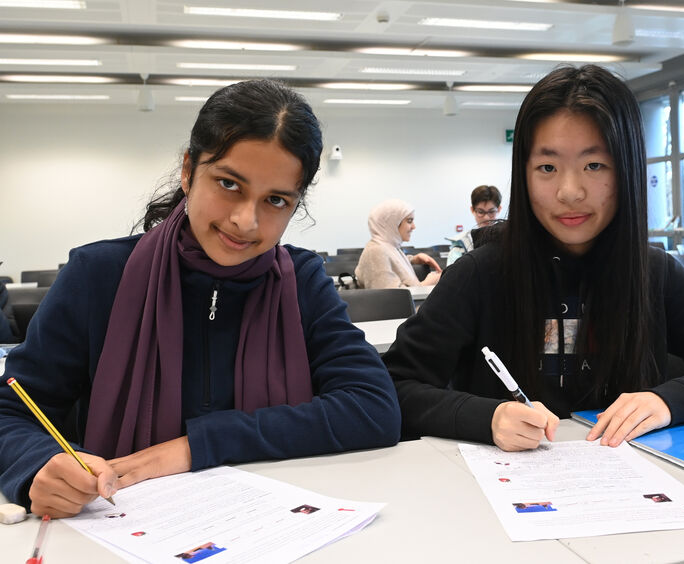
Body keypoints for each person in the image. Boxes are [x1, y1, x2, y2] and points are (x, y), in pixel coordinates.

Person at [0, 79, 401, 518]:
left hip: (270, 524)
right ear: (189, 170)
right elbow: (11, 412)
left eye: (275, 200)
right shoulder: (97, 275)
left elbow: (372, 407)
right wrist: (38, 464)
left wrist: (194, 446)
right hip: (118, 524)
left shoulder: (302, 280)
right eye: (229, 183)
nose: (246, 221)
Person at [384, 65, 684, 452]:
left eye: (594, 165)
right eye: (547, 167)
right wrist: (487, 417)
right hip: (505, 485)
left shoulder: (653, 272)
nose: (569, 192)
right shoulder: (480, 274)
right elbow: (394, 387)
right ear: (523, 175)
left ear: (626, 170)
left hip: (640, 482)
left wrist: (668, 401)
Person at [354, 199, 442, 289]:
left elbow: (391, 263)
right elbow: (389, 295)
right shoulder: (376, 251)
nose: (413, 227)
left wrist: (413, 260)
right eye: (409, 221)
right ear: (392, 223)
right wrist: (427, 284)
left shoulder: (388, 246)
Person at [446, 185, 503, 265]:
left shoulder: (506, 238)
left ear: (499, 209)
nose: (486, 217)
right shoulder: (461, 245)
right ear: (472, 210)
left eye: (491, 212)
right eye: (481, 212)